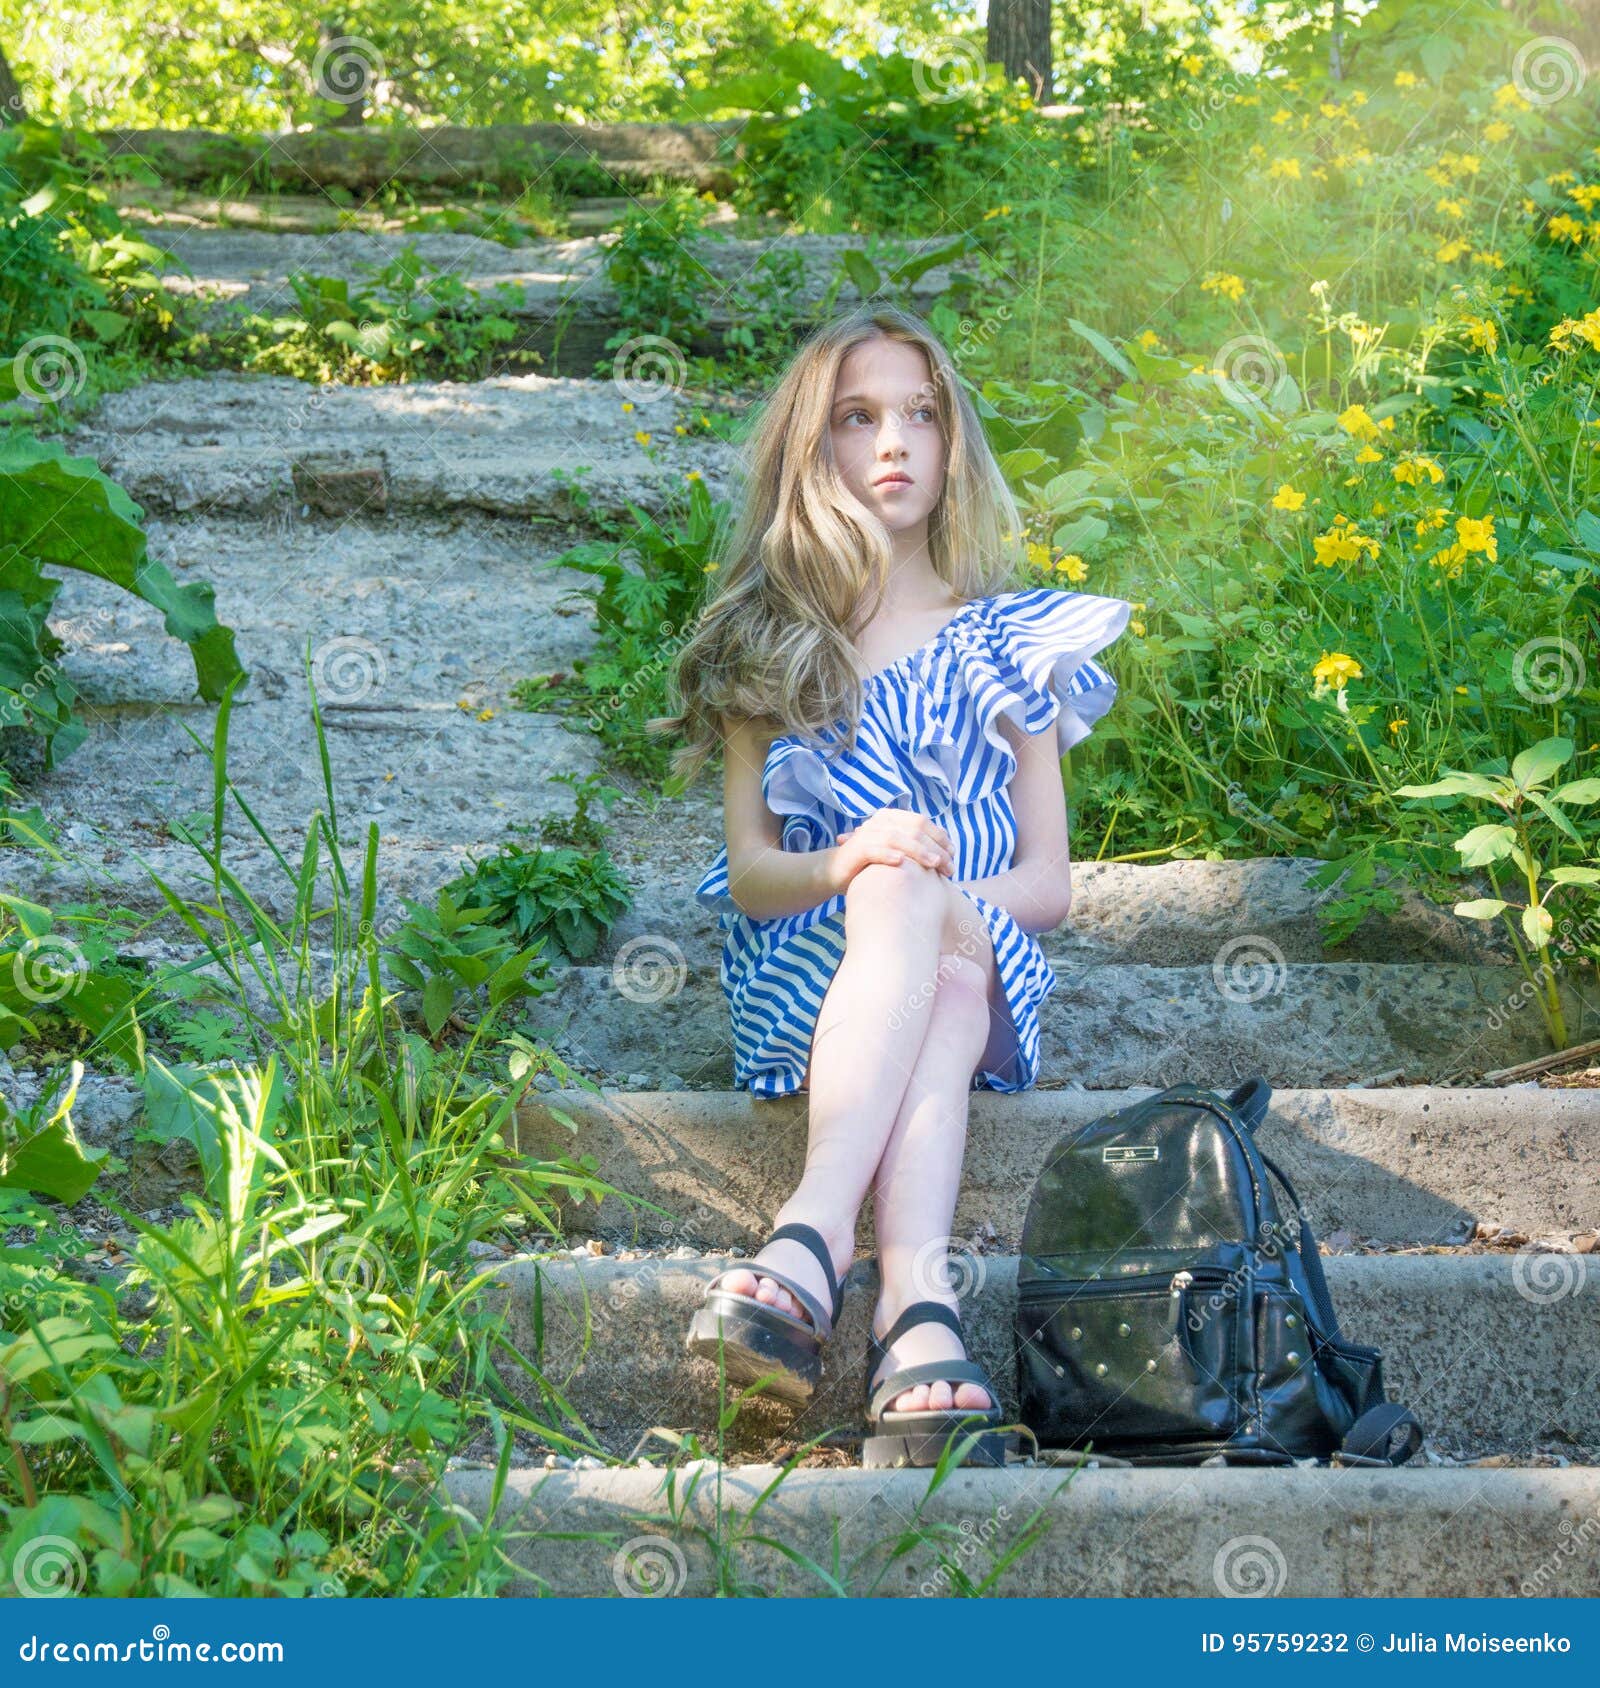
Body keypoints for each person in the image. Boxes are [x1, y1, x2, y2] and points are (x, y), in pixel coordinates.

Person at [652, 305, 1130, 1466]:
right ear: (808, 450)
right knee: (907, 904)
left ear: (953, 438)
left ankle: (808, 1239)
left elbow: (1049, 885)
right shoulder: (773, 643)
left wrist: (936, 897)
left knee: (949, 956)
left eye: (922, 413)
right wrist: (855, 860)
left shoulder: (1012, 641)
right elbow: (758, 875)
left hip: (978, 938)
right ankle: (918, 1310)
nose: (895, 442)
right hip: (810, 966)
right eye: (858, 418)